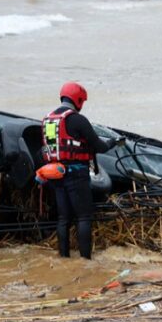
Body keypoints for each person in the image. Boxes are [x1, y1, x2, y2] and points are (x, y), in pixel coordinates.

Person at [41, 82, 120, 259]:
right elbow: (99, 147)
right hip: (76, 174)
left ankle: (64, 258)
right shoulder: (77, 119)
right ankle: (85, 260)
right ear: (78, 99)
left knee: (64, 218)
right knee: (84, 217)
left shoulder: (48, 119)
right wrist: (113, 142)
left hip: (56, 174)